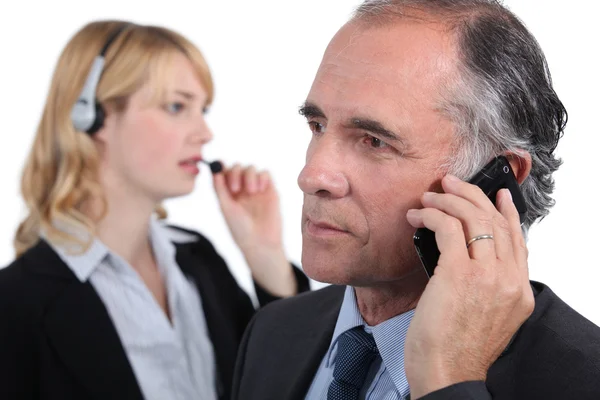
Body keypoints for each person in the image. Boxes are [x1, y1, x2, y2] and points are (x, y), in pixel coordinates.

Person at [231, 1, 600, 399]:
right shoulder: (272, 333)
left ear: (494, 182)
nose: (312, 175)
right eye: (317, 125)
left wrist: (449, 380)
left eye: (374, 141)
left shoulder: (585, 379)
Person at [0, 20, 309, 400]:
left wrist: (266, 256)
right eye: (176, 106)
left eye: (203, 109)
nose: (205, 133)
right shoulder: (15, 303)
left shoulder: (199, 260)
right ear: (93, 115)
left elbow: (287, 381)